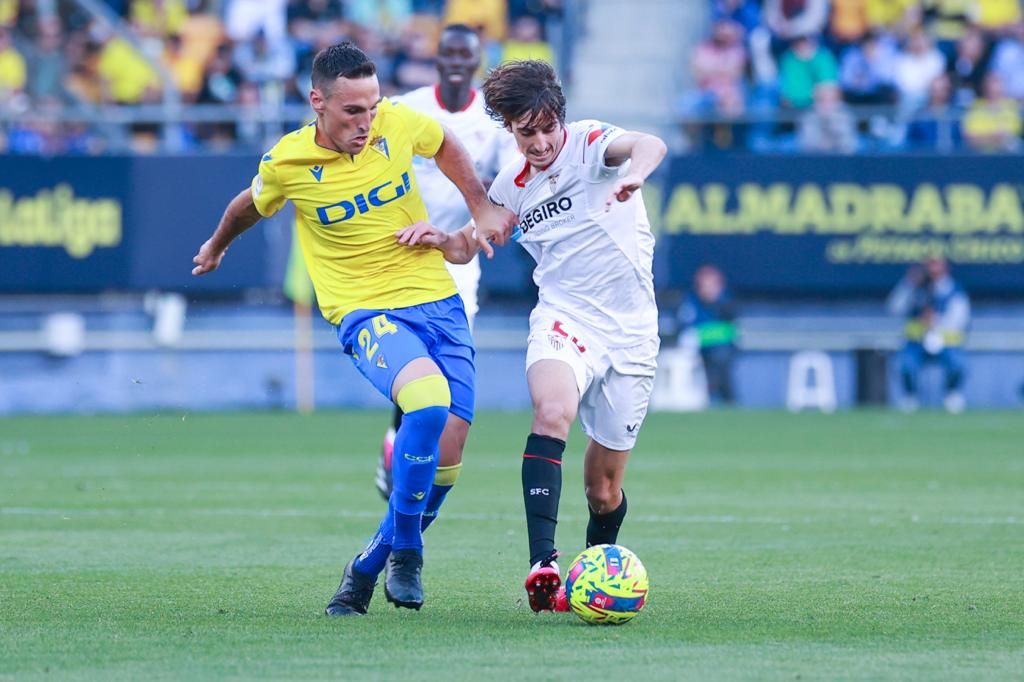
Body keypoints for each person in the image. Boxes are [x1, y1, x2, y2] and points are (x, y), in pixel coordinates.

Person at [191, 42, 516, 615]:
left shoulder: (396, 122)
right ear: (317, 101)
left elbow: (443, 143)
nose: (366, 123)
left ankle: (366, 566)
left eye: (372, 108)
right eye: (351, 112)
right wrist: (217, 245)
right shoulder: (289, 161)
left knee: (449, 454)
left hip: (437, 299)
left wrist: (480, 205)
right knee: (427, 401)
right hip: (365, 310)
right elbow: (249, 203)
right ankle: (409, 552)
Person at [395, 60, 667, 612]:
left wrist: (636, 174)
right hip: (564, 319)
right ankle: (543, 563)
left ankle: (594, 573)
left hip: (634, 333)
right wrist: (441, 239)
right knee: (550, 413)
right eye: (526, 132)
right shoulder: (511, 186)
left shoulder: (592, 144)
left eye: (546, 128)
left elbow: (650, 143)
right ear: (511, 129)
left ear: (560, 119)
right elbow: (472, 243)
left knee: (603, 489)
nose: (540, 142)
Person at [374, 23, 517, 501]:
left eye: (465, 54)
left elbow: (510, 174)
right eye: (449, 53)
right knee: (410, 358)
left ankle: (401, 448)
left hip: (458, 253)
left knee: (443, 362)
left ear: (476, 62)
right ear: (438, 59)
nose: (457, 61)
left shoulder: (491, 118)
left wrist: (490, 218)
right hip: (404, 249)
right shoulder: (408, 107)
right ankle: (397, 447)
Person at [887, 257, 970, 413]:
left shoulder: (953, 290)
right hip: (917, 342)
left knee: (958, 363)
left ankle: (951, 394)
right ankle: (910, 397)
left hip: (946, 343)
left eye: (937, 265)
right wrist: (908, 283)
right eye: (930, 265)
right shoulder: (914, 287)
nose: (933, 270)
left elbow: (960, 319)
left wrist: (936, 322)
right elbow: (894, 308)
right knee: (906, 365)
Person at [677, 265, 738, 404]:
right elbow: (683, 327)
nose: (707, 288)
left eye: (712, 284)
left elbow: (731, 331)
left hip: (718, 351)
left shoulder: (726, 303)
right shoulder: (690, 302)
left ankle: (726, 400)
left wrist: (701, 336)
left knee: (721, 357)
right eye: (704, 284)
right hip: (694, 352)